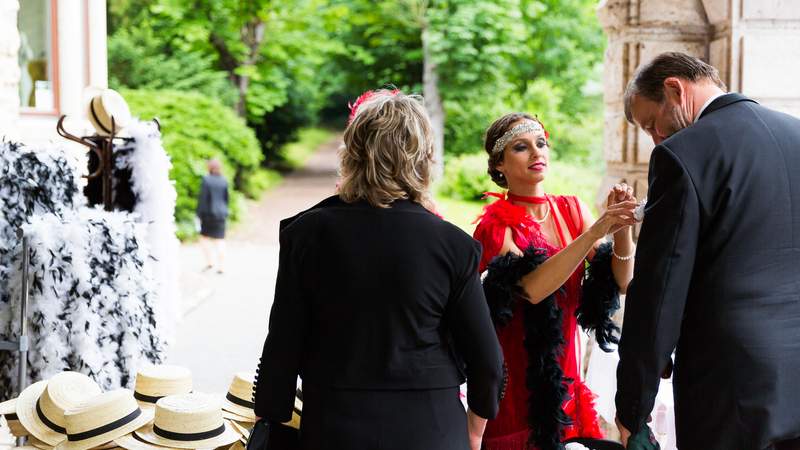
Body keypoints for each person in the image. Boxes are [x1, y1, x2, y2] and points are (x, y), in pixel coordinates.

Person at [252, 89, 505, 450]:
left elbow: (283, 344)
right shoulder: (453, 245)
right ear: (425, 159)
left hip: (336, 427)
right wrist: (476, 429)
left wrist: (270, 417)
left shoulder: (307, 234)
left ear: (352, 153)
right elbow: (488, 362)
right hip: (432, 429)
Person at [615, 52, 800, 450]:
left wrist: (633, 406)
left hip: (732, 383)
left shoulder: (682, 155)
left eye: (651, 124)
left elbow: (659, 291)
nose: (656, 139)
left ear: (675, 89)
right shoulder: (796, 133)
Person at [472, 112, 639, 450]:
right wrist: (595, 231)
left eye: (541, 144)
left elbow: (623, 282)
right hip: (518, 380)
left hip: (565, 371)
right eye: (522, 147)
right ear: (499, 164)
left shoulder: (571, 209)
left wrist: (621, 231)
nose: (537, 153)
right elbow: (533, 289)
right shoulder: (495, 226)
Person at [196, 159, 229, 273]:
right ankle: (222, 267)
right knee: (220, 240)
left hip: (208, 215)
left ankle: (209, 262)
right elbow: (226, 199)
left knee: (203, 238)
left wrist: (199, 214)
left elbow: (203, 200)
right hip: (222, 214)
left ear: (209, 167)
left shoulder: (206, 179)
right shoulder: (224, 180)